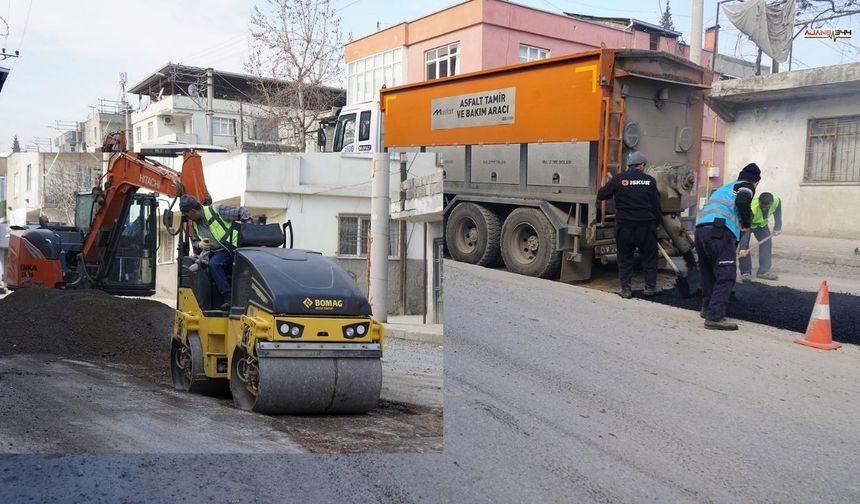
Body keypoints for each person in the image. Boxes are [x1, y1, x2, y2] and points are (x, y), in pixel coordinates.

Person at [694, 163, 760, 331]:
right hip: (719, 230)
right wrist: (746, 224)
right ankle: (714, 317)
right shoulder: (746, 186)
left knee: (708, 272)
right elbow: (743, 201)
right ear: (756, 182)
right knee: (726, 274)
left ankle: (707, 308)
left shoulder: (726, 187)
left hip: (701, 229)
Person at [597, 150, 663, 299]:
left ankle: (626, 289)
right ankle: (650, 288)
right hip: (646, 226)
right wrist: (656, 224)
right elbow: (656, 205)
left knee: (625, 257)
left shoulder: (619, 179)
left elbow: (602, 195)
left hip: (624, 225)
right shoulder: (650, 181)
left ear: (630, 165)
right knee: (649, 257)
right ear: (641, 165)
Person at [179, 194, 253, 310]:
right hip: (213, 252)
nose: (188, 218)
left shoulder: (217, 211)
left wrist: (249, 232)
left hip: (230, 249)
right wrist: (200, 244)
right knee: (197, 268)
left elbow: (243, 212)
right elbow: (195, 241)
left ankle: (229, 296)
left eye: (187, 215)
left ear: (193, 211)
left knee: (214, 265)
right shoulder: (194, 223)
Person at [738, 192, 782, 282]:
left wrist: (777, 227)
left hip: (762, 225)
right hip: (747, 224)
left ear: (771, 202)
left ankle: (763, 271)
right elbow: (745, 229)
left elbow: (778, 213)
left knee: (766, 244)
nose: (765, 208)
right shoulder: (752, 208)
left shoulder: (776, 201)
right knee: (745, 248)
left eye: (767, 206)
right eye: (763, 205)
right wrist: (742, 248)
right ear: (759, 202)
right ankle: (745, 272)